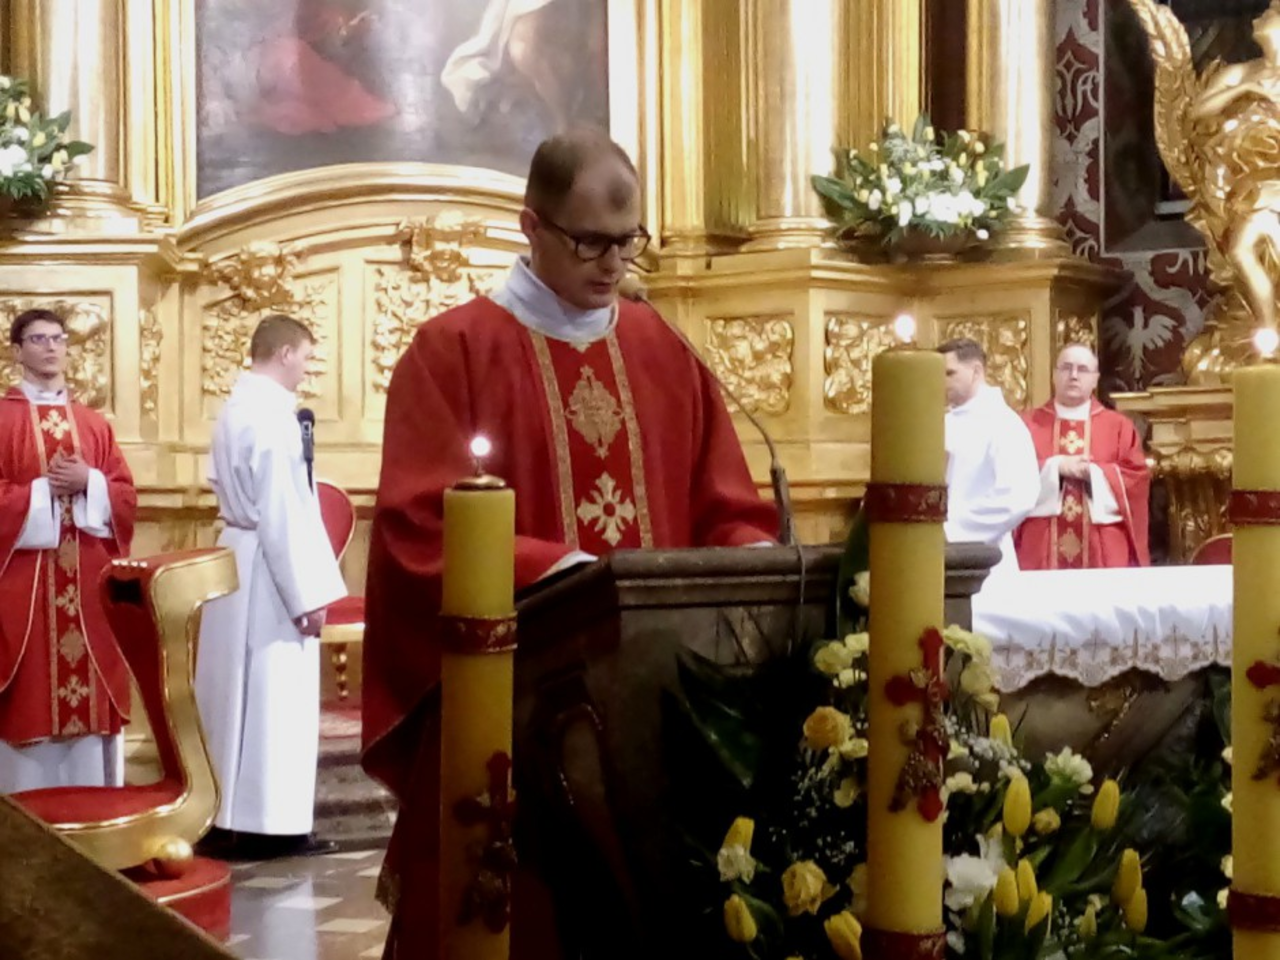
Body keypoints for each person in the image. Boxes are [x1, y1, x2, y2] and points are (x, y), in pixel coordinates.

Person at [362, 127, 777, 958]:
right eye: (590, 241)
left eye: (628, 241)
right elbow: (418, 527)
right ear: (531, 226)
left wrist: (753, 559)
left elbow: (724, 505)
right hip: (513, 703)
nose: (613, 263)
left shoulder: (666, 350)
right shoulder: (454, 351)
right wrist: (565, 574)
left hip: (658, 709)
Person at [195, 314, 347, 860]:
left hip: (238, 554)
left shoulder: (235, 409)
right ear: (284, 353)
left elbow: (219, 480)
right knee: (272, 698)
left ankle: (225, 817)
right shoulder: (273, 418)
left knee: (234, 696)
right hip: (269, 568)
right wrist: (307, 598)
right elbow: (283, 512)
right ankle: (272, 825)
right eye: (305, 357)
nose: (307, 368)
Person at [0, 308, 136, 793]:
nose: (51, 347)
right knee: (29, 693)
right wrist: (41, 494)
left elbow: (125, 496)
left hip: (87, 584)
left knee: (92, 691)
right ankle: (22, 813)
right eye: (38, 339)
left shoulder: (93, 424)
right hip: (25, 586)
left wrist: (90, 482)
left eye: (58, 339)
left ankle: (94, 805)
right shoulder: (2, 419)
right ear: (16, 351)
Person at [1015, 344, 1151, 570]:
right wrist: (1056, 468)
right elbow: (1009, 477)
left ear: (1095, 379)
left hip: (1103, 548)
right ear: (1054, 375)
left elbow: (1136, 480)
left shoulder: (1119, 426)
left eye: (1083, 369)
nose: (1074, 375)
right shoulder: (1025, 425)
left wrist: (1094, 473)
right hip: (1040, 548)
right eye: (1066, 368)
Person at [939, 338, 1040, 578]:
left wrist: (951, 530)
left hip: (983, 560)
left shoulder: (1003, 423)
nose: (942, 382)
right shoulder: (943, 421)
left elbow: (1019, 496)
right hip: (935, 553)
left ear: (976, 371)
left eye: (950, 373)